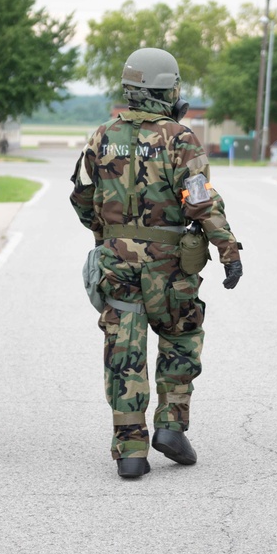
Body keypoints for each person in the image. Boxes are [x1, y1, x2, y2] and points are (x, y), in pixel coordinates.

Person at [70, 47, 243, 479]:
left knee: (124, 350)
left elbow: (81, 195)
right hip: (171, 269)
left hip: (117, 263)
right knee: (181, 339)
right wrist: (228, 250)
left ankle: (130, 449)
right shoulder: (180, 139)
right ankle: (171, 426)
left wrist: (107, 233)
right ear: (169, 90)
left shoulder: (102, 135)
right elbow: (201, 201)